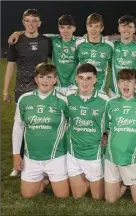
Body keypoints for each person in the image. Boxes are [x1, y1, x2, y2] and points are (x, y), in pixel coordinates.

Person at [4, 9, 51, 177]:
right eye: (28, 20)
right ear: (23, 22)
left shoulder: (46, 41)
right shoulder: (16, 41)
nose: (31, 24)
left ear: (39, 23)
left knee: (42, 126)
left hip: (43, 90)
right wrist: (5, 90)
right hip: (22, 90)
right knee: (21, 127)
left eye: (34, 21)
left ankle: (43, 163)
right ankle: (18, 163)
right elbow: (10, 65)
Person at [12, 63, 69, 198]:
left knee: (62, 196)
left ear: (55, 80)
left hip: (56, 157)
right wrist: (16, 154)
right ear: (36, 79)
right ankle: (45, 179)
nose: (45, 80)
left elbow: (71, 125)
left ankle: (51, 177)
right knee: (27, 195)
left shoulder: (63, 100)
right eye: (41, 77)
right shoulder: (24, 99)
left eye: (49, 77)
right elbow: (18, 126)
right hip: (31, 157)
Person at [103, 69, 136, 204]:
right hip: (112, 156)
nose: (125, 85)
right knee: (111, 200)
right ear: (118, 84)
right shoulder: (111, 103)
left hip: (132, 158)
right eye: (122, 81)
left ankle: (128, 182)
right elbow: (105, 127)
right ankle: (124, 184)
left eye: (130, 81)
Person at [66, 63, 109, 199]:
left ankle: (113, 179)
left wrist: (106, 134)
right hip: (74, 153)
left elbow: (111, 124)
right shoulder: (68, 98)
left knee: (98, 198)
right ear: (76, 79)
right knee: (78, 196)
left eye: (89, 78)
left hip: (94, 154)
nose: (84, 82)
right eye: (81, 78)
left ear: (95, 79)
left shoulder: (105, 101)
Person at [75, 13, 114, 92]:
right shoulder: (79, 44)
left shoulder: (109, 46)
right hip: (81, 86)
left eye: (96, 26)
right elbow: (75, 62)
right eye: (90, 26)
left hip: (99, 88)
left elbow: (112, 67)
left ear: (102, 28)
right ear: (86, 27)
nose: (93, 29)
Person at [109, 15, 136, 98]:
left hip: (134, 93)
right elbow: (103, 38)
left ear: (134, 30)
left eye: (130, 27)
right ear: (119, 29)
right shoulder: (112, 46)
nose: (126, 29)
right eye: (123, 26)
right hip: (114, 93)